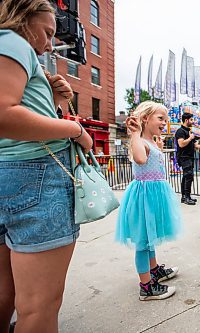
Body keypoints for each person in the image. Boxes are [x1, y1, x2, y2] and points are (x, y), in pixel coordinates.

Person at [0, 0, 94, 331]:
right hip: (35, 176)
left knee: (5, 293)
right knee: (40, 306)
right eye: (47, 32)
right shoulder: (13, 41)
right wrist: (75, 129)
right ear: (22, 18)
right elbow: (4, 115)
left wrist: (52, 101)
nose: (49, 43)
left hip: (8, 173)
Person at [115, 101, 182, 301]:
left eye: (166, 119)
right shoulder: (140, 141)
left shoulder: (152, 142)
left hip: (154, 195)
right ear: (145, 118)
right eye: (161, 118)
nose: (165, 123)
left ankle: (153, 271)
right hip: (144, 197)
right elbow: (140, 159)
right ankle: (146, 287)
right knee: (143, 242)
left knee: (150, 237)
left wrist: (158, 146)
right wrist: (135, 134)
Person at [175, 112, 199, 205]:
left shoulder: (189, 131)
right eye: (191, 119)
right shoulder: (180, 131)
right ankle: (186, 197)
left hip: (190, 156)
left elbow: (195, 145)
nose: (193, 121)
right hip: (184, 157)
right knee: (188, 176)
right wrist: (190, 138)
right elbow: (181, 144)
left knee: (186, 176)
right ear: (186, 120)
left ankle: (185, 196)